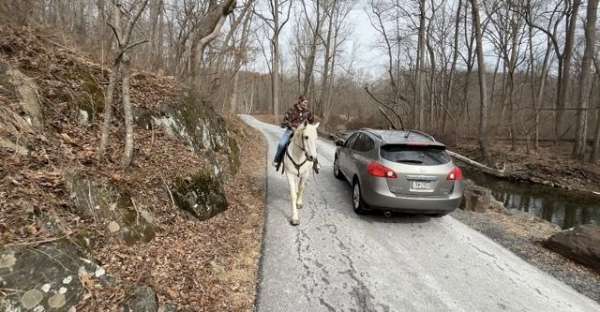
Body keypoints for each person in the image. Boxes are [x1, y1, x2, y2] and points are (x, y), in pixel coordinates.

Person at [273, 96, 317, 171]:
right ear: (299, 102)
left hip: (302, 132)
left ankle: (315, 163)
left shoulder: (308, 112)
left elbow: (311, 122)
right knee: (281, 144)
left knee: (312, 144)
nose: (306, 104)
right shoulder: (291, 110)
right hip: (291, 130)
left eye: (307, 103)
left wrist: (310, 125)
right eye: (304, 102)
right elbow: (284, 122)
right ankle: (277, 160)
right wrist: (291, 126)